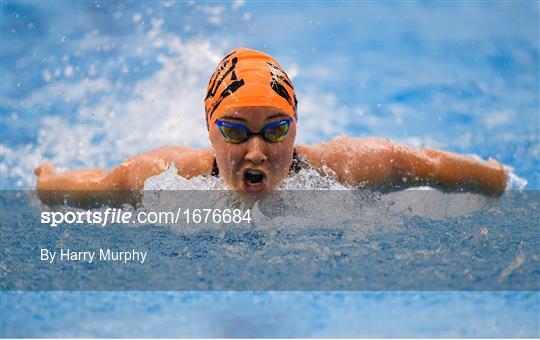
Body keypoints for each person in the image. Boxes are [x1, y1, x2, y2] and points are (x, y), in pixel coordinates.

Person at [35, 47, 507, 206]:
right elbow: (93, 185)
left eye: (276, 130)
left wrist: (496, 179)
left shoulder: (346, 168)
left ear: (296, 129)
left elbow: (425, 164)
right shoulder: (165, 177)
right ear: (211, 131)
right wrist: (47, 182)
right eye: (237, 132)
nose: (257, 152)